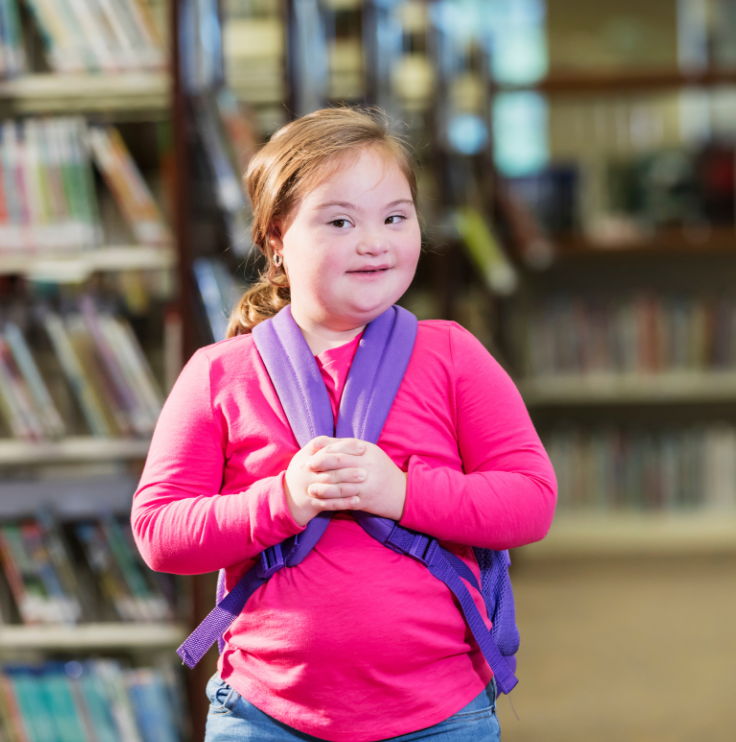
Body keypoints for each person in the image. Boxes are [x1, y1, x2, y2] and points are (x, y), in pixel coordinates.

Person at [131, 107, 557, 742]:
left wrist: (403, 494)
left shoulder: (453, 354)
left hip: (440, 714)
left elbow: (531, 502)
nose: (374, 241)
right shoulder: (218, 373)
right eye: (339, 221)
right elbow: (159, 531)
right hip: (263, 714)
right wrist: (282, 501)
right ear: (276, 237)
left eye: (395, 217)